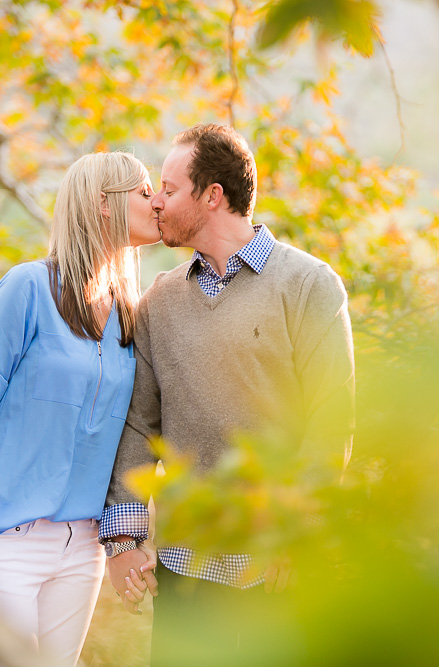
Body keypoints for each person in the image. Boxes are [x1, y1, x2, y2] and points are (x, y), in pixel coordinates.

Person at [97, 124, 355, 665]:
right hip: (188, 571)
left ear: (213, 195)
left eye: (169, 188)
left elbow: (331, 423)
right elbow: (140, 426)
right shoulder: (159, 302)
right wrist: (123, 541)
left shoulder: (308, 285)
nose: (157, 202)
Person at [0, 151, 160, 666]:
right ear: (104, 205)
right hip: (7, 541)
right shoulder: (27, 287)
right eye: (144, 190)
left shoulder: (131, 315)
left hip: (82, 545)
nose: (157, 202)